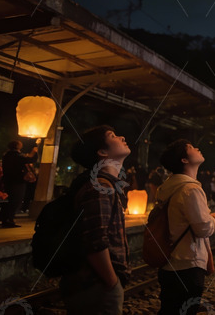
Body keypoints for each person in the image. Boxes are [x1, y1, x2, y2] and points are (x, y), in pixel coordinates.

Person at [60, 125, 131, 315]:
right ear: (102, 152)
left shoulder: (105, 185)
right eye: (113, 136)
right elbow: (94, 241)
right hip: (96, 285)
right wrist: (112, 282)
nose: (122, 137)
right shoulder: (99, 187)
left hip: (96, 284)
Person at [156, 140, 215, 315]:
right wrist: (214, 218)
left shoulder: (168, 187)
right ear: (184, 160)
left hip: (170, 262)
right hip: (188, 265)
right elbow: (203, 229)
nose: (197, 148)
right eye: (191, 147)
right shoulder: (190, 189)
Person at [0, 140, 38, 228]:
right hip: (17, 181)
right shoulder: (16, 156)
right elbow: (31, 159)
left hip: (8, 181)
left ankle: (5, 219)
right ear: (17, 146)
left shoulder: (6, 155)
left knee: (10, 200)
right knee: (15, 200)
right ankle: (9, 220)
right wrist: (35, 151)